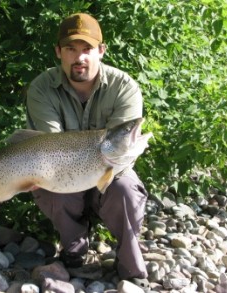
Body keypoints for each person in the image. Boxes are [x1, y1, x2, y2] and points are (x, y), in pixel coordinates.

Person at [26, 13, 150, 291]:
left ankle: (129, 260)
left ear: (101, 51)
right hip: (63, 169)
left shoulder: (124, 87)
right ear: (59, 52)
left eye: (87, 49)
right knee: (49, 185)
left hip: (111, 169)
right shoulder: (41, 88)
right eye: (71, 49)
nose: (79, 57)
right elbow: (52, 149)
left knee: (127, 190)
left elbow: (120, 150)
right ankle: (73, 248)